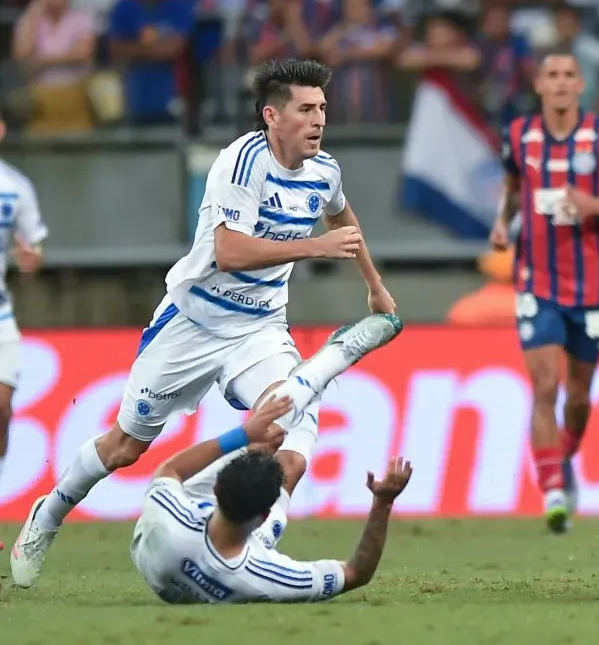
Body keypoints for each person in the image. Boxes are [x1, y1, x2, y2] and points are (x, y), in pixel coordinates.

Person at [10, 58, 401, 589]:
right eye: (306, 109)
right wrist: (315, 247)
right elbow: (230, 250)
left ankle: (246, 541)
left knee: (287, 431)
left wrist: (373, 285)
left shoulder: (324, 170)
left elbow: (341, 219)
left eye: (323, 109)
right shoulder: (240, 164)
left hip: (259, 329)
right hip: (192, 322)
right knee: (125, 447)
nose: (318, 120)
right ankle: (48, 514)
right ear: (272, 115)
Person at [490, 51, 599, 533]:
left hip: (590, 285)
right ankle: (553, 490)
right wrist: (502, 223)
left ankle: (564, 458)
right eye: (551, 76)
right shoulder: (518, 136)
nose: (560, 83)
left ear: (580, 84)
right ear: (538, 84)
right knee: (544, 386)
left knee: (578, 397)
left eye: (568, 76)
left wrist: (591, 204)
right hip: (535, 280)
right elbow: (514, 189)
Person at [130, 393, 413, 604]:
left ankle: (305, 391)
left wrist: (241, 435)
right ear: (264, 517)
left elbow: (170, 471)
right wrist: (383, 502)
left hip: (157, 557)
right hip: (233, 556)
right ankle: (312, 389)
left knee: (264, 446)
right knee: (291, 464)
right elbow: (355, 573)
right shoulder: (268, 576)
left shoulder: (171, 513)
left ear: (216, 490)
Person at [0, 111, 47, 501]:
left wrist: (30, 257)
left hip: (1, 315)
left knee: (1, 408)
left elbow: (33, 245)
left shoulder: (15, 188)